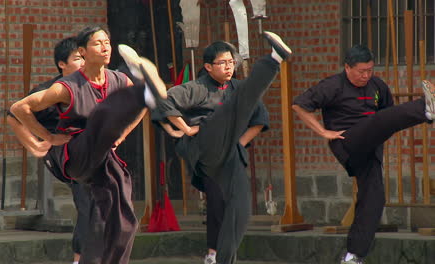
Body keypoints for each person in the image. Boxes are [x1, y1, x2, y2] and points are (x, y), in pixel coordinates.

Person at [10, 25, 167, 264]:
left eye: (107, 42)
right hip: (76, 153)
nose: (105, 47)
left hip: (104, 155)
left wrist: (123, 133)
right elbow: (18, 109)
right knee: (99, 121)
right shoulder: (65, 87)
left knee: (122, 219)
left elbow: (136, 117)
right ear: (83, 51)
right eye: (97, 43)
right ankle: (143, 91)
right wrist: (47, 138)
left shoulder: (117, 79)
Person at [146, 31, 292, 264]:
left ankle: (222, 260)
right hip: (204, 146)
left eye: (231, 62)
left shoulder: (239, 89)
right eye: (222, 63)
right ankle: (273, 60)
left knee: (240, 213)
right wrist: (185, 128)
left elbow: (259, 120)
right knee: (227, 112)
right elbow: (166, 102)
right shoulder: (196, 87)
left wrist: (238, 143)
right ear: (208, 66)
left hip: (231, 154)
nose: (228, 67)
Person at [292, 44, 435, 264]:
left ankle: (353, 255)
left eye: (370, 70)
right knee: (377, 120)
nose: (366, 75)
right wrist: (322, 131)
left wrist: (379, 138)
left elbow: (389, 116)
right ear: (347, 68)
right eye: (361, 71)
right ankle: (425, 109)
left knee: (375, 198)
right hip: (347, 141)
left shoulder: (377, 85)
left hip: (371, 146)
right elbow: (299, 105)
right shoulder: (332, 85)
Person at [7, 36, 88, 264]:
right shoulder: (47, 92)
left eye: (85, 58)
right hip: (62, 154)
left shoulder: (93, 85)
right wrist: (36, 144)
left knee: (98, 203)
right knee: (88, 197)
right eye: (77, 58)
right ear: (62, 63)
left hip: (89, 152)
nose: (83, 63)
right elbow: (14, 116)